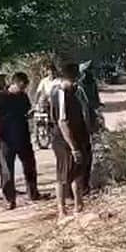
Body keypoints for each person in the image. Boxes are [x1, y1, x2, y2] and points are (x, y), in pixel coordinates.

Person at [0, 71, 40, 209]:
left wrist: (31, 113)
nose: (23, 89)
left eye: (25, 87)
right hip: (5, 138)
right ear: (14, 83)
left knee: (30, 165)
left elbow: (26, 113)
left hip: (23, 136)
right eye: (21, 86)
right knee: (7, 170)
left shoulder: (23, 96)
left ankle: (33, 193)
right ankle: (9, 199)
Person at [51, 61, 92, 220]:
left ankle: (78, 205)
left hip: (78, 137)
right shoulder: (60, 94)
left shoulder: (73, 92)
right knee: (63, 175)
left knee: (78, 173)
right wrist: (73, 147)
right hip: (64, 141)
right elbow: (62, 122)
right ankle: (61, 209)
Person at [78, 59, 103, 132]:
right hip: (84, 107)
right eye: (89, 70)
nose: (91, 71)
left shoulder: (92, 81)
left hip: (92, 106)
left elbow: (96, 94)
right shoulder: (79, 84)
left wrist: (98, 103)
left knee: (98, 119)